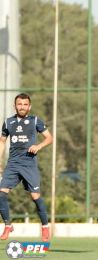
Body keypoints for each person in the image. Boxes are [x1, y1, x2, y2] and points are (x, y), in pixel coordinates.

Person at [0, 93, 53, 241]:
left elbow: (49, 138)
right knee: (1, 194)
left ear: (29, 106)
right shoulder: (8, 122)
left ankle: (45, 227)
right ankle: (7, 225)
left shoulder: (35, 120)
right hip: (13, 164)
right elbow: (2, 141)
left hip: (29, 164)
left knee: (35, 197)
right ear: (15, 105)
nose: (22, 107)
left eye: (25, 104)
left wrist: (39, 146)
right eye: (19, 104)